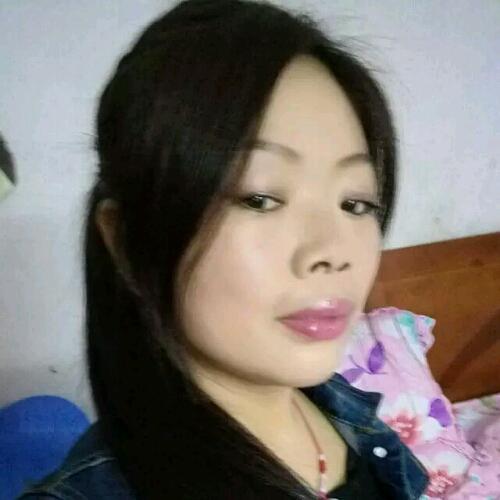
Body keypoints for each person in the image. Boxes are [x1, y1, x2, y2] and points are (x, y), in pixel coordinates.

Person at [18, 0, 429, 498]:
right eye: (260, 198)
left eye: (356, 203)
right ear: (126, 240)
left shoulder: (345, 411)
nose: (333, 251)